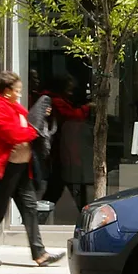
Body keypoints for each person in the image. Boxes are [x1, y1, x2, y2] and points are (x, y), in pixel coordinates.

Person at [0, 71, 64, 267]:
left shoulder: (11, 105)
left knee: (29, 208)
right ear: (6, 92)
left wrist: (39, 119)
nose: (20, 94)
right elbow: (11, 134)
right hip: (4, 169)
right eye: (17, 90)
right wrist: (33, 132)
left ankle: (40, 253)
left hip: (20, 167)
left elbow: (27, 121)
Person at [40, 74, 92, 207]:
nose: (71, 91)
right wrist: (87, 108)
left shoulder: (59, 100)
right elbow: (72, 117)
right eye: (69, 88)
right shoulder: (56, 101)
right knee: (69, 185)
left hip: (64, 150)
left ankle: (38, 217)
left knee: (57, 188)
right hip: (62, 150)